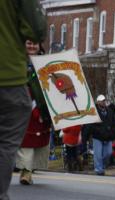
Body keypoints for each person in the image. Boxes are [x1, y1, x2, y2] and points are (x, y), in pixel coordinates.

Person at [0, 0, 46, 198]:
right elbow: (35, 28)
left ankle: (27, 171)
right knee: (6, 144)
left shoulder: (40, 66)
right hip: (8, 77)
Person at [15, 40, 51, 185]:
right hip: (21, 105)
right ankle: (25, 170)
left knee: (38, 141)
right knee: (25, 141)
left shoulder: (46, 64)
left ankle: (29, 169)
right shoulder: (16, 61)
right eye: (28, 43)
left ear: (39, 46)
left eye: (34, 43)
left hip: (42, 107)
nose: (31, 46)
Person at [88, 95, 115, 175]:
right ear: (98, 102)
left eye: (104, 100)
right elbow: (90, 125)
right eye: (102, 101)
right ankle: (98, 169)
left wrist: (113, 136)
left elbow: (113, 124)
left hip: (108, 137)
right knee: (98, 154)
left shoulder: (110, 111)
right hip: (97, 136)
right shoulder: (94, 112)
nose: (103, 102)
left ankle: (102, 165)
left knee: (108, 153)